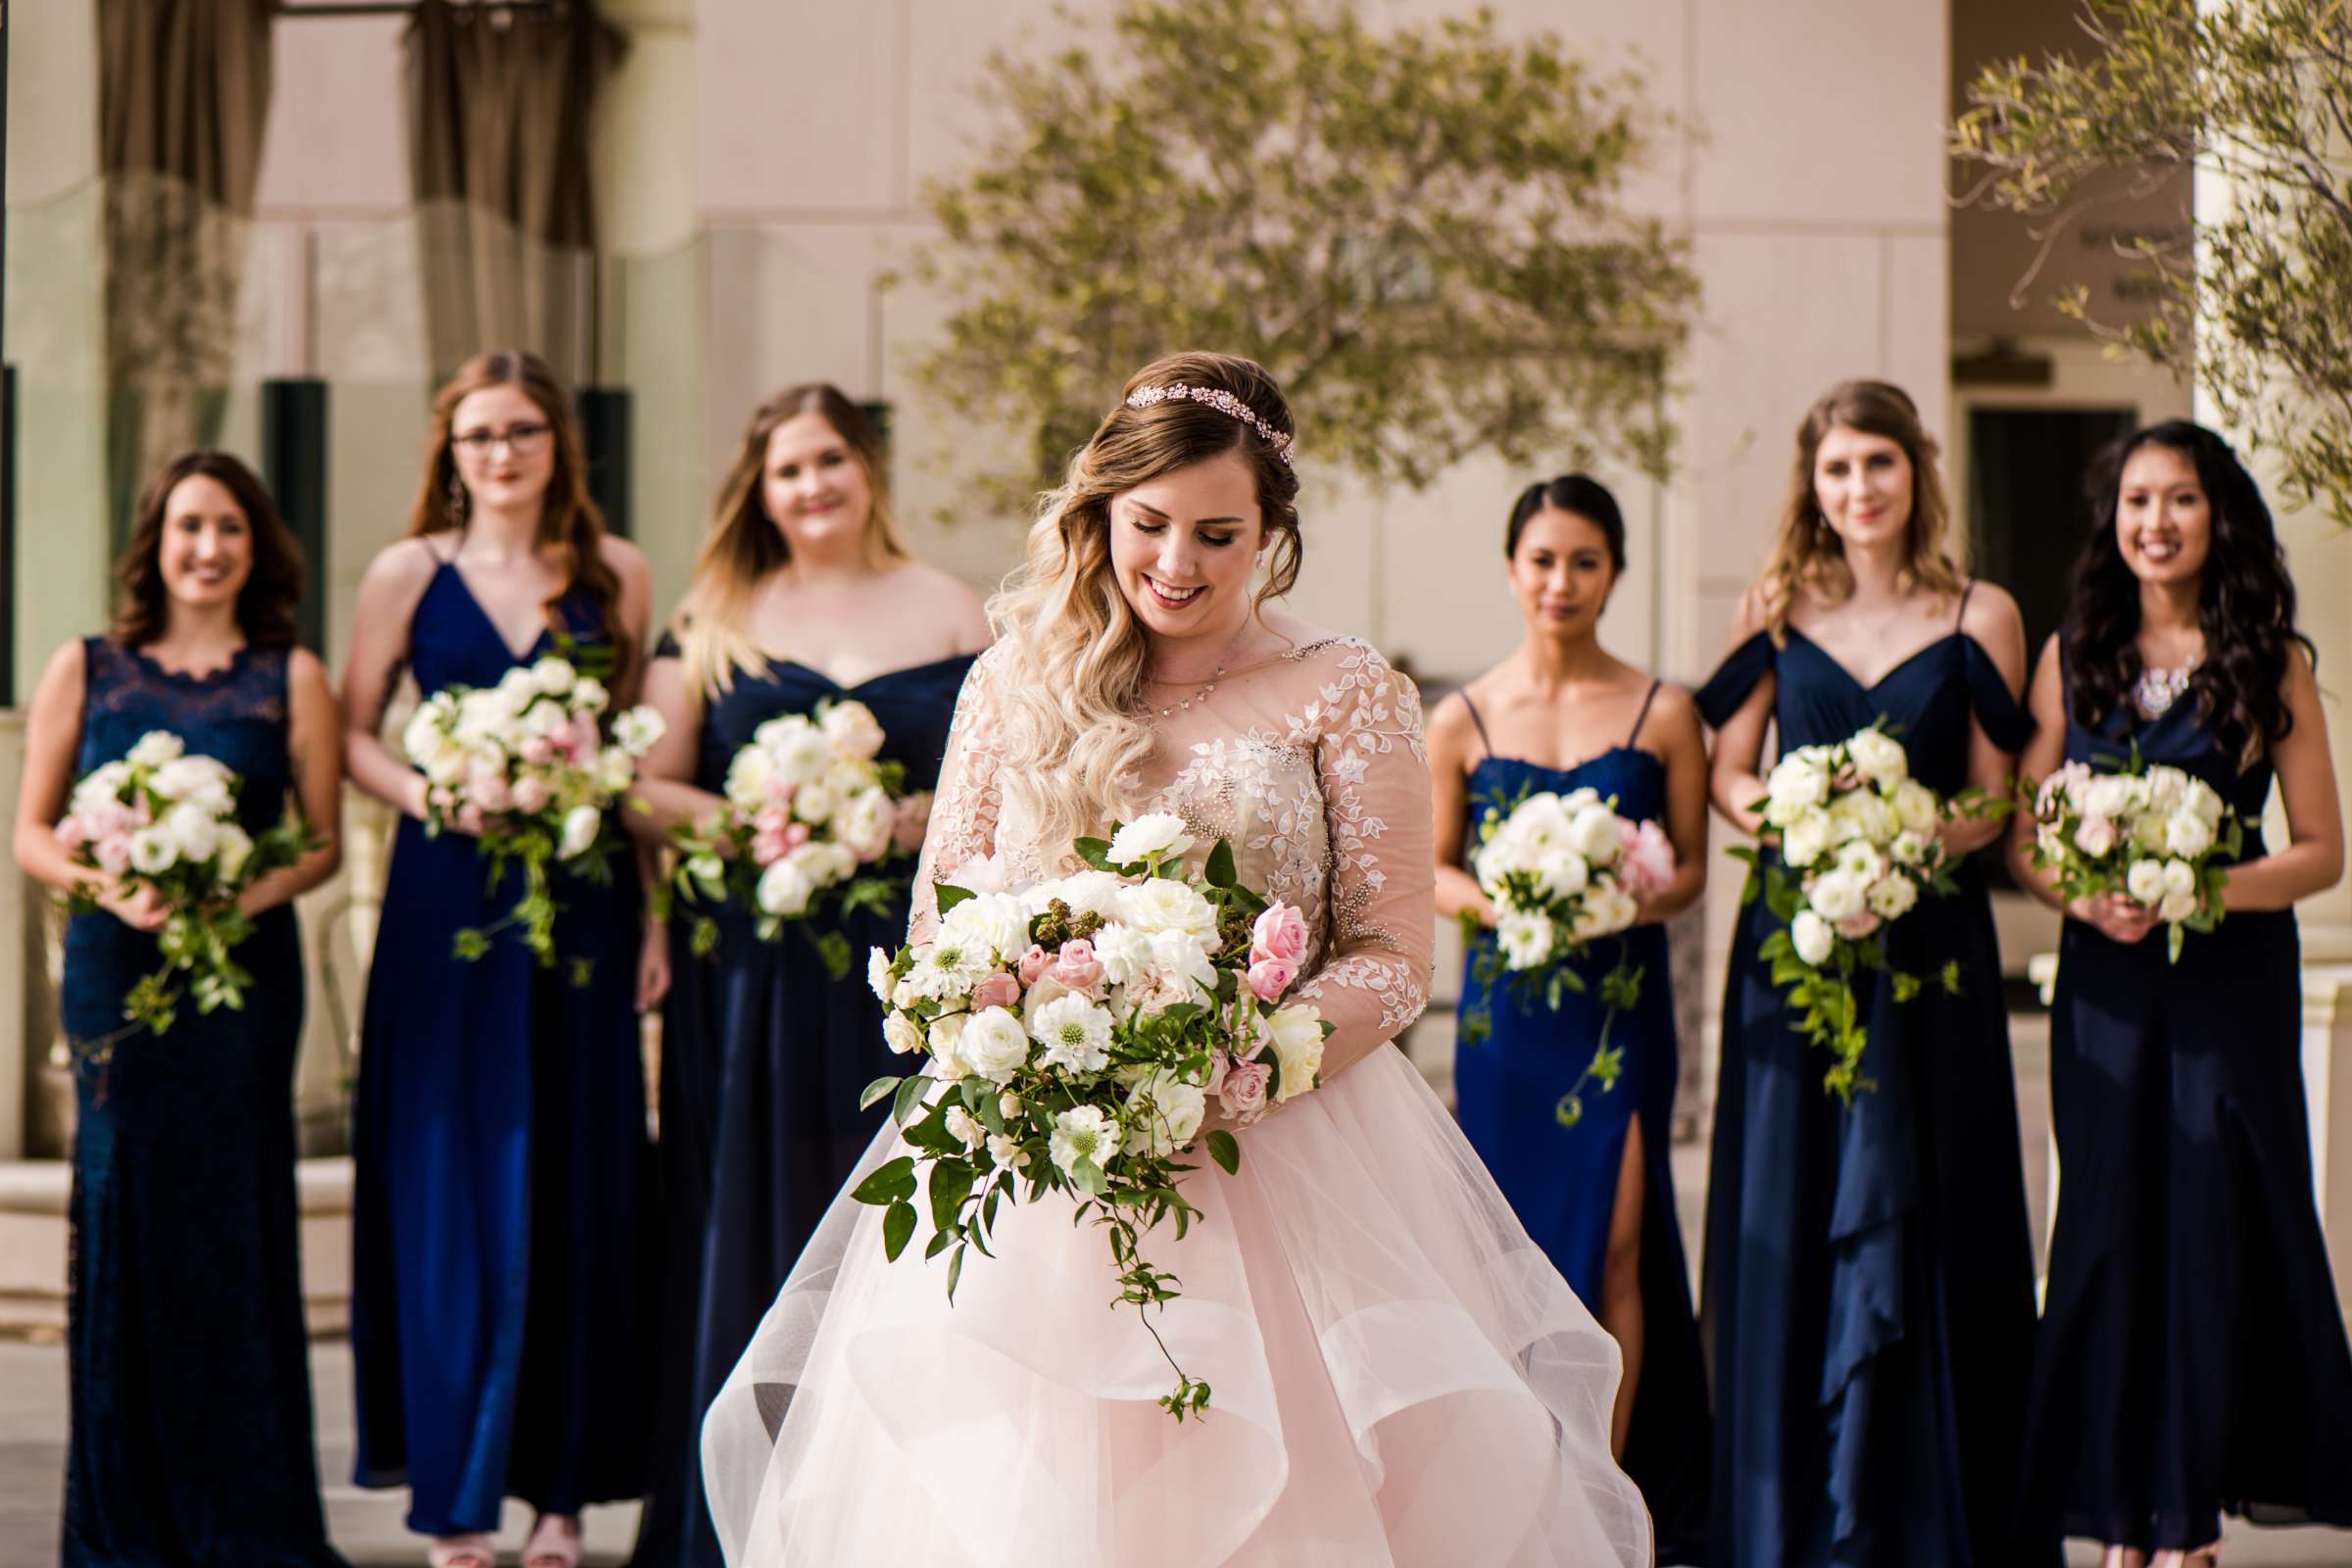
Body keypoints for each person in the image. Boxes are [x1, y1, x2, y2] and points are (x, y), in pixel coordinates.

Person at [698, 351, 1649, 1566]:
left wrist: (1233, 1063)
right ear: (1101, 513)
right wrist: (1039, 1054)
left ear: (1271, 534)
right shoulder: (1010, 682)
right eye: (1149, 525)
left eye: (1219, 532)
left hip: (1286, 1158)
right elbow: (942, 928)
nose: (1177, 563)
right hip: (1044, 1173)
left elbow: (1393, 953)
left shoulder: (1345, 690)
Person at [622, 384, 989, 1568]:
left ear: (866, 468)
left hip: (905, 969)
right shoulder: (719, 612)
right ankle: (739, 1508)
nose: (813, 484)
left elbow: (1010, 786)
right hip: (753, 978)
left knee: (894, 1214)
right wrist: (762, 814)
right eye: (789, 469)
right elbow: (647, 785)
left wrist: (906, 820)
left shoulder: (948, 608)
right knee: (752, 1214)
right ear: (759, 488)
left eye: (830, 459)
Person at [1694, 379, 2049, 1566]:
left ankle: (1930, 1512)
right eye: (1839, 470)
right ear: (1815, 484)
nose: (1860, 490)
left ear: (1917, 474)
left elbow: (2000, 799)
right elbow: (1728, 773)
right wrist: (1797, 821)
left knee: (1935, 1196)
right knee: (1790, 1197)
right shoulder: (1778, 605)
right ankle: (1791, 1514)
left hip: (1930, 940)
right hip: (1794, 941)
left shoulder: (1981, 613)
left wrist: (1899, 837)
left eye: (1880, 466)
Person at [2009, 420, 2352, 1568]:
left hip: (2230, 980)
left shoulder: (2272, 661)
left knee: (2214, 1221)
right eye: (2136, 500)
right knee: (2107, 1225)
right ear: (2113, 520)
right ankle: (2117, 1516)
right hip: (2105, 983)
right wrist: (2085, 892)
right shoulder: (2072, 653)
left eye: (2182, 500)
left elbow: (2320, 851)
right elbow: (2024, 839)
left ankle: (2189, 1518)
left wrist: (2204, 889)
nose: (2156, 521)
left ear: (2221, 518)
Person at [341, 349, 655, 1568]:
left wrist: (656, 921)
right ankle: (458, 1500)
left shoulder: (614, 571)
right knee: (445, 1185)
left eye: (522, 431)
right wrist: (435, 789)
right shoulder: (404, 574)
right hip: (446, 903)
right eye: (479, 436)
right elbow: (354, 732)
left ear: (556, 443)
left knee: (578, 1176)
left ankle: (562, 1501)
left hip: (580, 902)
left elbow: (631, 751)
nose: (502, 453)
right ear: (450, 451)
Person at [14, 451, 345, 1566]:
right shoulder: (89, 666)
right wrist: (123, 886)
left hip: (241, 984)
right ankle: (124, 1522)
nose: (209, 548)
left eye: (232, 529)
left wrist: (226, 892)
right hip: (117, 978)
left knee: (233, 1223)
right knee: (125, 1214)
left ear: (259, 547)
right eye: (190, 525)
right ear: (155, 538)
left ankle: (247, 1517)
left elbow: (321, 841)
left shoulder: (288, 674)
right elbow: (31, 833)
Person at [1428, 472, 1711, 1557]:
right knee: (1510, 1261)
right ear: (1513, 570)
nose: (1562, 581)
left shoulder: (1664, 712)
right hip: (1509, 1025)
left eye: (1584, 561)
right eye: (1543, 560)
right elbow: (1434, 873)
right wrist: (1509, 901)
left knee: (1615, 1251)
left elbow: (1686, 873)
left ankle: (1605, 1505)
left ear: (1616, 574)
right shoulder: (1460, 716)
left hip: (1619, 1013)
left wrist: (1624, 888)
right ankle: (1519, 1492)